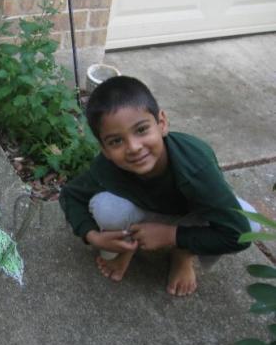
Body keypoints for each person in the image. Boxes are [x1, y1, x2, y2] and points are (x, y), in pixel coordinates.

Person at [59, 76, 260, 296]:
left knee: (249, 224)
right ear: (105, 150)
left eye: (141, 130)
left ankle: (183, 254)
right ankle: (127, 247)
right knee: (107, 207)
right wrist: (93, 236)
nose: (134, 147)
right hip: (143, 212)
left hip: (192, 214)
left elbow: (237, 235)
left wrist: (171, 236)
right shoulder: (106, 167)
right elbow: (70, 195)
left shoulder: (195, 165)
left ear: (162, 123)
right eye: (116, 141)